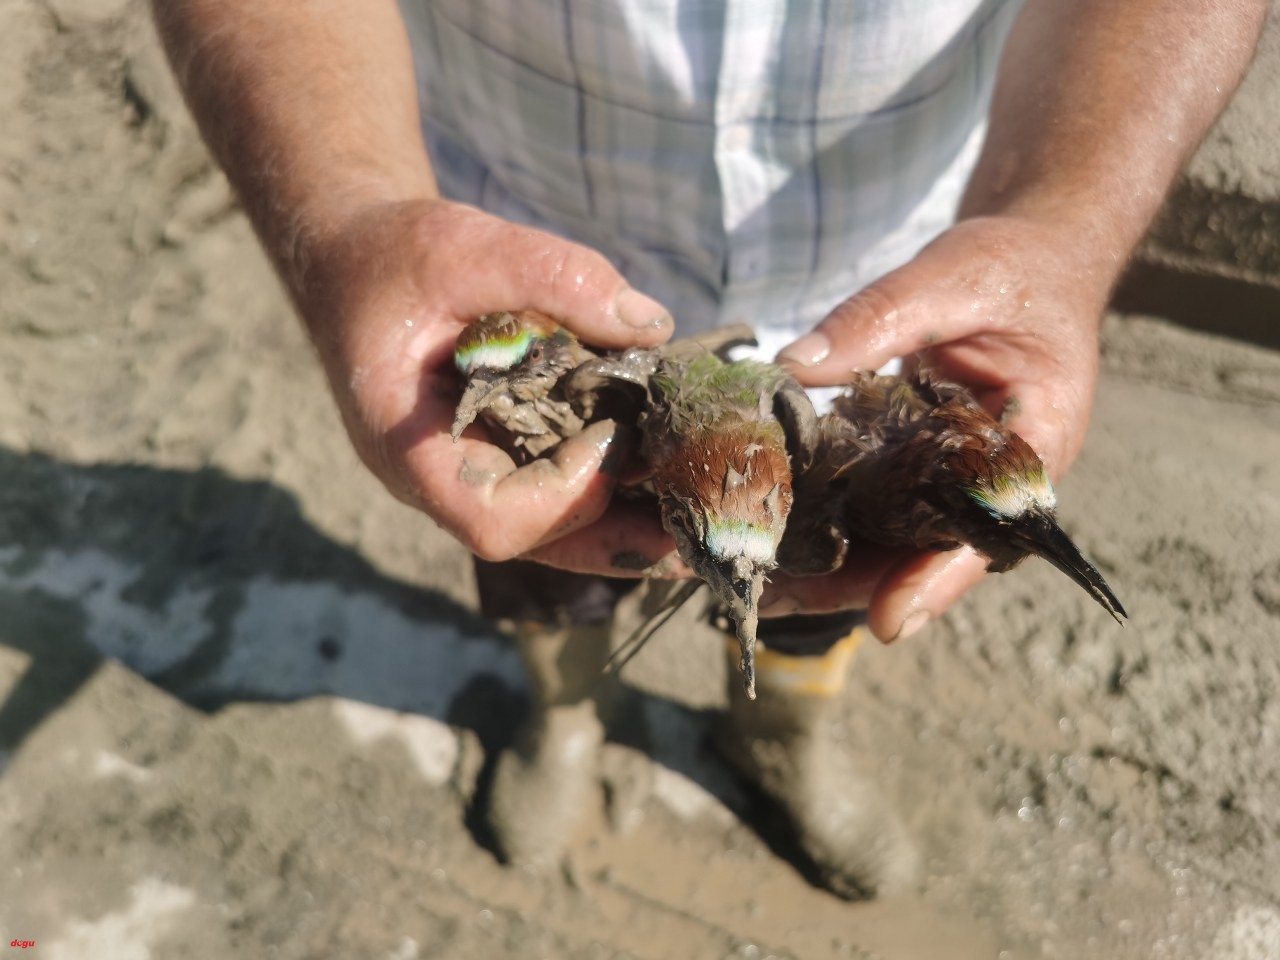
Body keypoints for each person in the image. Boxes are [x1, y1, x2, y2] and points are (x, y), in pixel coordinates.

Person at [152, 0, 1265, 896]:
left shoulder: (871, 459)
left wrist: (1062, 224)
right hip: (533, 290)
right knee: (543, 565)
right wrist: (347, 213)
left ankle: (776, 734)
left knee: (822, 580)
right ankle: (568, 714)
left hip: (885, 305)